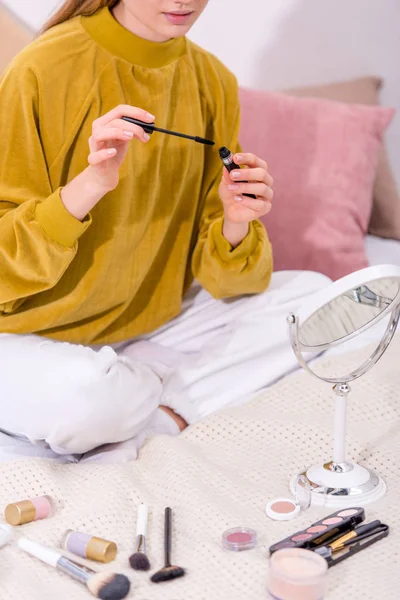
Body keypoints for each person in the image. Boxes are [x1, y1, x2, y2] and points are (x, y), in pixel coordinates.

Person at [0, 0, 329, 463]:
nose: (183, 1)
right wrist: (91, 184)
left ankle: (135, 402)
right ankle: (154, 405)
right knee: (85, 398)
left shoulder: (213, 80)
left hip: (154, 325)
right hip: (28, 336)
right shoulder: (40, 68)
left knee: (317, 298)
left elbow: (226, 281)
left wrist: (236, 220)